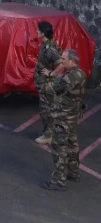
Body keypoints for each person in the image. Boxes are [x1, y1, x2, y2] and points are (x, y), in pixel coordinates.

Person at [43, 49, 87, 191]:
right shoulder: (81, 74)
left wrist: (51, 76)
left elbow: (50, 89)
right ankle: (73, 172)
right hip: (73, 116)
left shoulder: (67, 78)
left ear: (71, 61)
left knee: (58, 147)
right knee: (72, 143)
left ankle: (58, 180)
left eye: (63, 59)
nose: (61, 61)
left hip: (63, 117)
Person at [34, 21, 62, 146]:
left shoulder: (49, 49)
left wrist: (51, 73)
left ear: (43, 33)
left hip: (47, 84)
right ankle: (50, 133)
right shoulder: (46, 45)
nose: (36, 32)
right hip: (44, 83)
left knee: (46, 111)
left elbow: (61, 64)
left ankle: (48, 136)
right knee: (48, 109)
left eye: (38, 30)